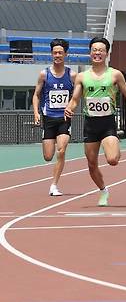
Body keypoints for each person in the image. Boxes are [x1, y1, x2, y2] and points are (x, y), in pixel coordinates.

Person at [64, 37, 126, 206]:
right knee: (92, 164)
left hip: (107, 123)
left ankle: (115, 147)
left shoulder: (115, 74)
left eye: (101, 50)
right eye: (94, 50)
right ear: (90, 53)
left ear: (106, 53)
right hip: (90, 125)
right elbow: (75, 98)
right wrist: (70, 107)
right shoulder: (82, 76)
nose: (97, 53)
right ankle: (103, 191)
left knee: (112, 160)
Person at [32, 39, 77, 196]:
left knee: (62, 150)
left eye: (60, 52)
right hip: (49, 118)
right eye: (55, 53)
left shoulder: (72, 75)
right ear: (51, 54)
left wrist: (71, 106)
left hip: (64, 119)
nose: (57, 55)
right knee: (48, 156)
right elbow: (36, 95)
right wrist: (36, 112)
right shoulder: (44, 74)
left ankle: (54, 186)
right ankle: (47, 141)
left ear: (66, 54)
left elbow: (77, 96)